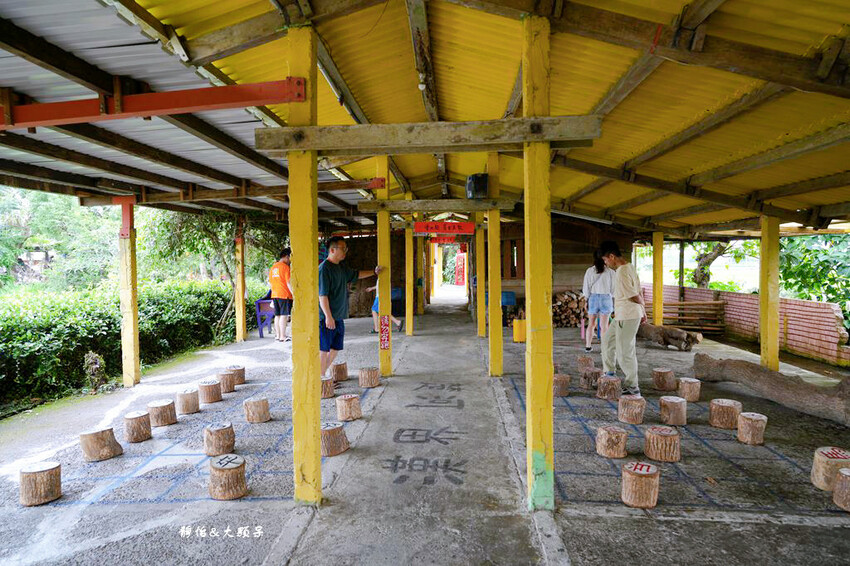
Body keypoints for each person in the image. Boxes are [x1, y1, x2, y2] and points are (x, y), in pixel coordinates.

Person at [319, 236, 383, 378]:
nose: (345, 251)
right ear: (332, 250)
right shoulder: (324, 269)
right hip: (326, 317)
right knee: (323, 349)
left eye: (345, 248)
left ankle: (321, 373)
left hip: (338, 316)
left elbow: (356, 274)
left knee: (335, 348)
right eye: (343, 248)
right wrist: (328, 317)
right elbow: (322, 296)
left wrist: (374, 272)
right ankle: (321, 377)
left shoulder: (341, 266)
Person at [598, 240, 646, 396]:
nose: (606, 263)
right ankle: (609, 374)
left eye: (605, 260)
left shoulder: (622, 271)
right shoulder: (629, 267)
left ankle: (633, 386)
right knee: (607, 341)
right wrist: (643, 310)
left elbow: (633, 295)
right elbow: (637, 292)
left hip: (628, 315)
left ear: (612, 256)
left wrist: (643, 310)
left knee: (625, 351)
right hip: (623, 315)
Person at [581, 250, 616, 352]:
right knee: (604, 326)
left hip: (593, 298)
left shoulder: (589, 271)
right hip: (606, 298)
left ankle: (588, 346)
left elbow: (586, 287)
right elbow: (614, 290)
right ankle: (604, 348)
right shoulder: (611, 272)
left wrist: (586, 299)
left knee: (591, 324)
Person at [269, 248, 293, 342]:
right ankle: (283, 336)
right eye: (290, 258)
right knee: (284, 315)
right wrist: (293, 294)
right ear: (287, 256)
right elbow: (288, 283)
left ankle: (278, 335)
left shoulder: (273, 267)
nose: (290, 260)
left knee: (277, 315)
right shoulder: (285, 267)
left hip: (275, 294)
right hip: (284, 294)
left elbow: (270, 283)